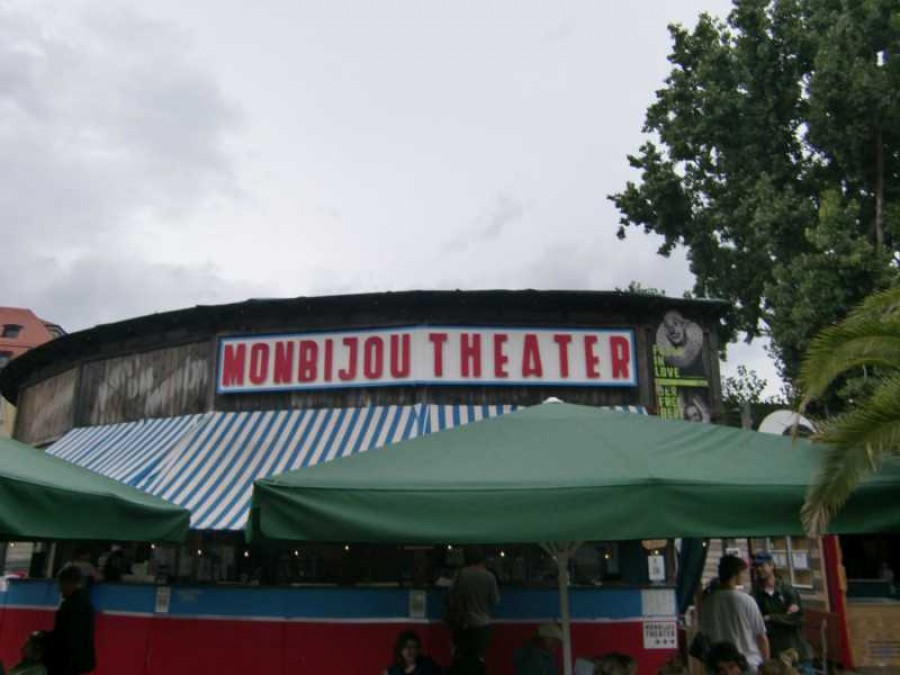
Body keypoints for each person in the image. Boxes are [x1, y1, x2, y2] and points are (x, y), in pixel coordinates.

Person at [698, 556, 770, 672]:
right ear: (735, 574)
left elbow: (704, 637)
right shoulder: (747, 601)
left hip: (720, 667)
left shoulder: (708, 603)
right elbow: (761, 636)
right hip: (749, 664)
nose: (744, 576)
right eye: (742, 573)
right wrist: (766, 666)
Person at [751, 552, 810, 673]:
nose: (759, 569)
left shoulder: (787, 590)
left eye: (762, 565)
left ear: (771, 566)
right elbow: (757, 622)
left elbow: (797, 618)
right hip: (772, 649)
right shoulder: (756, 593)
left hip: (793, 647)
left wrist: (771, 617)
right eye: (756, 566)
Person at [446, 546, 500, 675]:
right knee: (479, 660)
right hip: (482, 624)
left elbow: (451, 595)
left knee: (460, 659)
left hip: (463, 624)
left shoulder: (460, 574)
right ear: (482, 559)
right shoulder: (489, 576)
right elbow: (495, 600)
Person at [46, 566, 95, 675]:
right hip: (76, 662)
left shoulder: (71, 606)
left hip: (68, 663)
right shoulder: (83, 603)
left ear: (69, 583)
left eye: (61, 584)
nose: (59, 589)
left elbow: (66, 636)